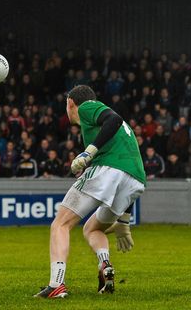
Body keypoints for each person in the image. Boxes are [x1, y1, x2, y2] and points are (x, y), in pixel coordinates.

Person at [35, 85, 145, 298]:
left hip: (109, 170)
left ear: (70, 103)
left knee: (60, 224)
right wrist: (123, 221)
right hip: (135, 179)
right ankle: (105, 265)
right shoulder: (122, 132)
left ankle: (56, 285)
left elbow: (113, 119)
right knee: (92, 229)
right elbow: (127, 167)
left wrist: (88, 152)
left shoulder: (87, 106)